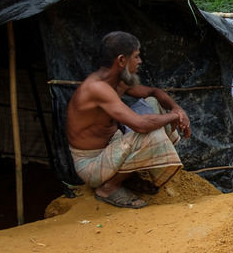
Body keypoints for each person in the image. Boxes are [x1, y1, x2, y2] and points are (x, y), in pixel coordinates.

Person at [66, 32, 191, 209]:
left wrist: (177, 108)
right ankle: (109, 187)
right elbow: (141, 125)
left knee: (153, 104)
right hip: (91, 164)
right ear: (121, 61)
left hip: (111, 148)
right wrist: (176, 116)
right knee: (151, 132)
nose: (140, 61)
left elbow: (154, 93)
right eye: (136, 56)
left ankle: (128, 176)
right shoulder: (97, 88)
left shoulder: (118, 81)